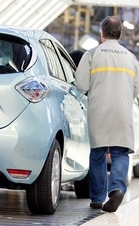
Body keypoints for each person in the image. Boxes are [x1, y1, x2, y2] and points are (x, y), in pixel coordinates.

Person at [74, 16, 139, 212]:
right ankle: (117, 188)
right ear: (120, 34)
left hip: (99, 111)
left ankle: (96, 198)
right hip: (122, 112)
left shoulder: (92, 55)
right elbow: (136, 91)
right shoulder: (131, 58)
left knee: (98, 154)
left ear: (102, 33)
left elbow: (81, 85)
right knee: (120, 153)